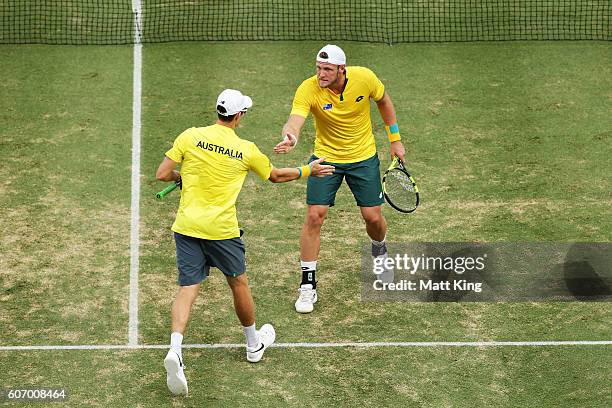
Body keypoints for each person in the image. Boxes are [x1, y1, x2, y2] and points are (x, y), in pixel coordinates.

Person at [156, 89, 334, 396]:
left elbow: (162, 173)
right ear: (239, 116)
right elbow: (276, 176)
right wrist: (309, 169)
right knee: (238, 284)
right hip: (222, 232)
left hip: (186, 227)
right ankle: (253, 345)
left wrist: (180, 177)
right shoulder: (246, 149)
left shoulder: (190, 136)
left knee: (188, 288)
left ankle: (175, 349)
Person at [274, 44, 406, 313]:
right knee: (314, 215)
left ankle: (379, 252)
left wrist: (395, 140)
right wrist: (291, 136)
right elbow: (294, 120)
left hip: (363, 157)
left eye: (327, 69)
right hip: (326, 158)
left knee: (373, 218)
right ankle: (307, 285)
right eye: (319, 68)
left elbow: (384, 101)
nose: (321, 74)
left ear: (341, 70)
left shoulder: (365, 78)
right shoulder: (308, 88)